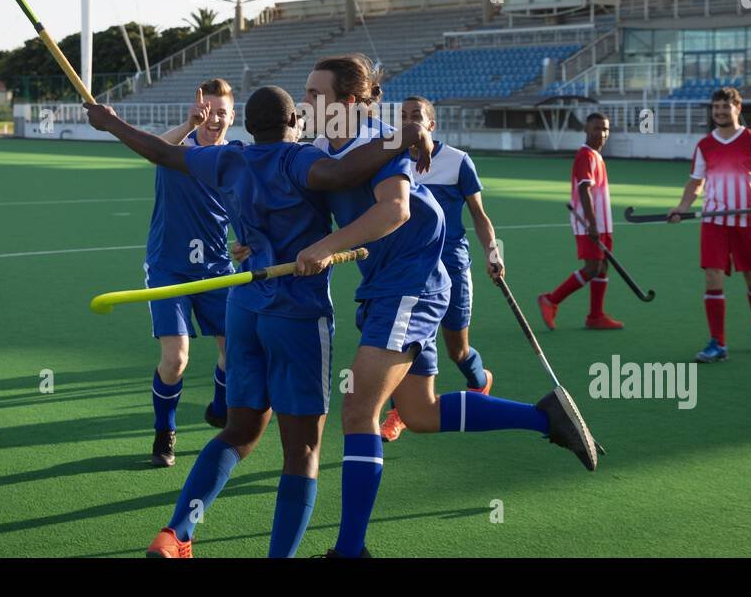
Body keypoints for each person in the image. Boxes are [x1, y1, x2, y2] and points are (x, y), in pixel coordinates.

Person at [84, 87, 434, 558]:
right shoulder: (300, 160)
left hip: (244, 307)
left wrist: (111, 122)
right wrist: (408, 133)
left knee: (238, 432)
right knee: (302, 452)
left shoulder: (228, 160)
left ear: (248, 125)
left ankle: (175, 535)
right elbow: (345, 170)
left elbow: (163, 152)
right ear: (293, 119)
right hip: (297, 316)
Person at [298, 54, 599, 560]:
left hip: (408, 283)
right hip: (393, 283)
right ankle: (546, 419)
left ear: (347, 102)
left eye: (313, 93)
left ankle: (350, 551)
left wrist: (327, 248)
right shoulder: (326, 145)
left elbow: (396, 209)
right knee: (419, 412)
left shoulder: (376, 139)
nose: (304, 101)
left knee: (358, 410)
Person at [379, 95, 501, 442]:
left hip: (452, 264)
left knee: (457, 349)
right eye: (402, 116)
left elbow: (479, 217)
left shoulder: (458, 161)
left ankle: (479, 380)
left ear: (431, 124)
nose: (408, 121)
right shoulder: (392, 157)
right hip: (410, 268)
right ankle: (399, 412)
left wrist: (493, 253)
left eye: (415, 116)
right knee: (409, 340)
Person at [139, 79, 236, 468]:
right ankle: (165, 432)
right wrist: (187, 124)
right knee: (176, 359)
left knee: (234, 350)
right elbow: (154, 151)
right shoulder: (177, 149)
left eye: (221, 113)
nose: (213, 119)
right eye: (206, 112)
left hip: (216, 269)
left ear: (233, 116)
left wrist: (246, 241)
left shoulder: (235, 158)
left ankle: (219, 406)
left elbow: (245, 207)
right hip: (168, 267)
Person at [667, 86, 751, 362]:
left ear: (738, 108)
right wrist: (682, 207)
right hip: (714, 222)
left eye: (725, 107)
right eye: (716, 108)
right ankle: (718, 343)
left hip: (748, 221)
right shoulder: (705, 145)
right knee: (713, 278)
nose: (720, 112)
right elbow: (696, 181)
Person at [538, 113, 624, 331]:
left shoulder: (596, 155)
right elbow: (584, 190)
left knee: (602, 266)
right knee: (592, 267)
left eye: (605, 129)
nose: (602, 133)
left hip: (603, 222)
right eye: (596, 128)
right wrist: (593, 223)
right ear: (586, 130)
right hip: (589, 223)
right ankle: (551, 299)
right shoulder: (585, 156)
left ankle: (596, 316)